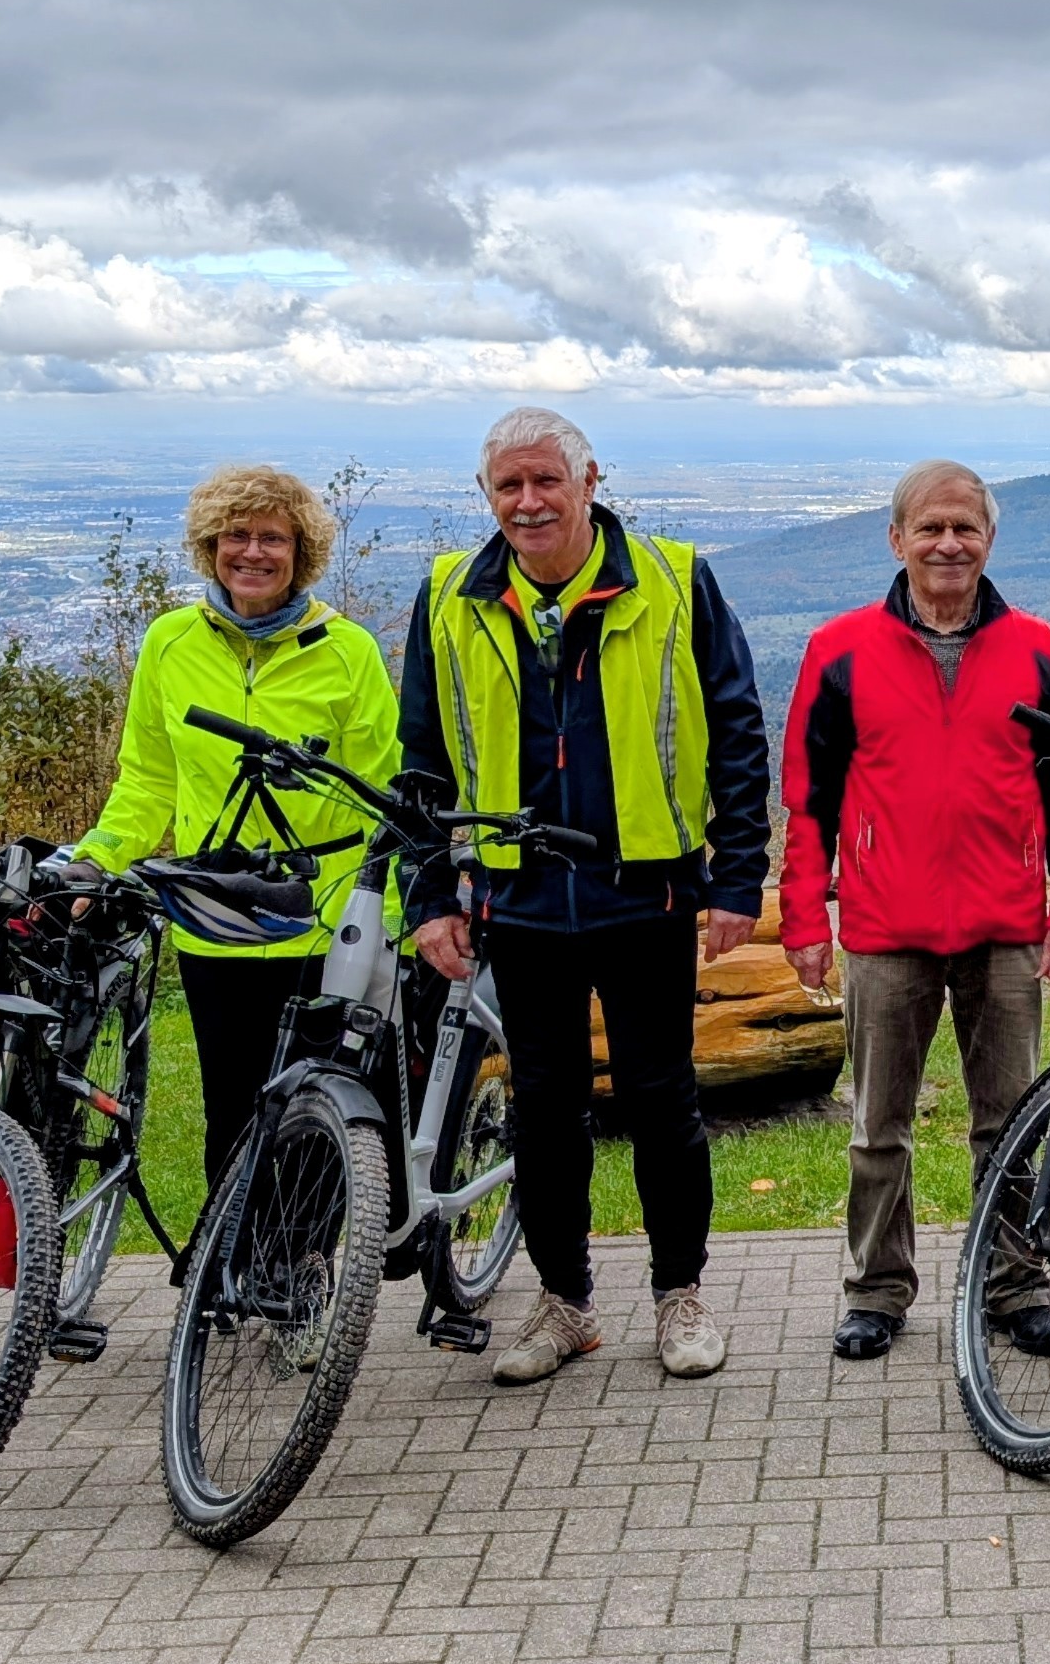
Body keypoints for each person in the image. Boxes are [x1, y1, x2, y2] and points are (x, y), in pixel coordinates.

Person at [399, 407, 772, 1381]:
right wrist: (430, 893)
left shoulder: (675, 579)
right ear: (486, 496)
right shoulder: (448, 596)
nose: (528, 502)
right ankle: (563, 1304)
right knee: (544, 1111)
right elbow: (424, 764)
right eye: (507, 486)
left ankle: (678, 1299)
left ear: (588, 481)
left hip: (642, 895)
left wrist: (737, 876)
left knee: (662, 1103)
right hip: (516, 902)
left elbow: (735, 730)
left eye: (544, 482)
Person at [780, 461, 1050, 1362]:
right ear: (896, 540)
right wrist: (804, 917)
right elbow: (807, 800)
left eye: (964, 527)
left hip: (1004, 927)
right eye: (930, 528)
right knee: (878, 1128)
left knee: (1010, 1121)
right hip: (885, 930)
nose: (947, 544)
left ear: (989, 539)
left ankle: (1015, 1284)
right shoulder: (838, 651)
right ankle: (875, 1291)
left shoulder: (1041, 650)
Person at [70, 464, 399, 1202]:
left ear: (300, 553)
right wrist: (97, 858)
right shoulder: (169, 643)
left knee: (322, 1113)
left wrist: (390, 919)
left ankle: (304, 1273)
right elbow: (148, 778)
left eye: (272, 537)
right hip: (213, 915)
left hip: (322, 917)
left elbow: (383, 794)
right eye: (236, 535)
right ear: (210, 545)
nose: (252, 552)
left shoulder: (348, 652)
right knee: (232, 1110)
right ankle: (232, 1272)